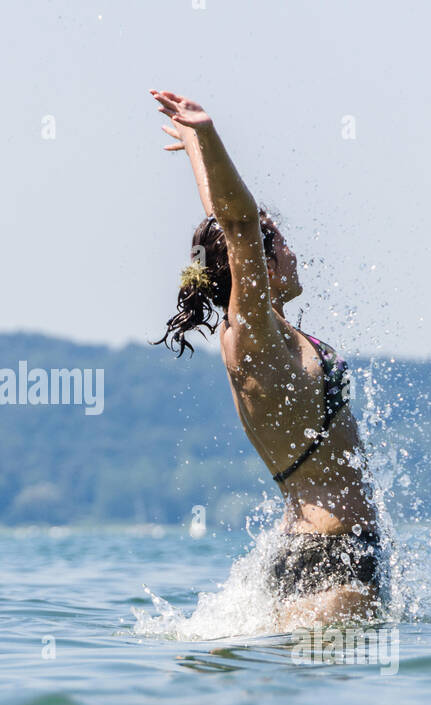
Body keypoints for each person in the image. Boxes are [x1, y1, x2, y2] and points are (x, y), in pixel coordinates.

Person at [150, 89, 385, 626]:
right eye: (275, 242)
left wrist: (194, 147)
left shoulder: (263, 330)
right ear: (249, 259)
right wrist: (208, 135)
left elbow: (226, 221)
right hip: (334, 561)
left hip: (321, 551)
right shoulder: (252, 334)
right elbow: (235, 227)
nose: (292, 252)